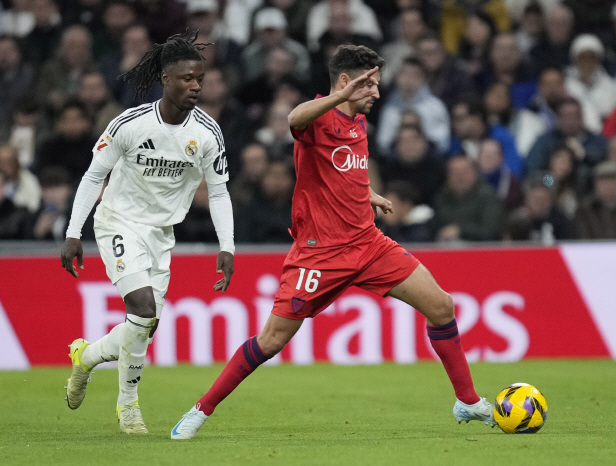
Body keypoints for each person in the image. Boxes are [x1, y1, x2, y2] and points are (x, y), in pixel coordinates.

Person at [171, 45, 496, 440]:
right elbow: (293, 117)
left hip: (369, 244)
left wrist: (367, 192)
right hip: (319, 254)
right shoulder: (317, 118)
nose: (377, 93)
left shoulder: (358, 121)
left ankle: (467, 400)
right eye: (369, 84)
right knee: (271, 340)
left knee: (442, 306)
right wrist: (336, 99)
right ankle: (201, 409)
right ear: (345, 82)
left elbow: (342, 166)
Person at [60, 31, 235, 435]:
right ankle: (129, 407)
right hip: (117, 222)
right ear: (165, 78)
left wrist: (227, 245)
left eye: (200, 80)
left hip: (161, 234)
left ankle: (85, 356)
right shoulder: (129, 124)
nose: (195, 86)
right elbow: (93, 177)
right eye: (187, 79)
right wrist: (73, 232)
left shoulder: (207, 133)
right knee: (142, 309)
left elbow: (221, 191)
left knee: (143, 325)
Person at [433, 155, 503, 242]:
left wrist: (460, 230)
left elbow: (491, 232)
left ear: (475, 173)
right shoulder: (441, 197)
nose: (460, 178)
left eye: (465, 172)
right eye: (455, 173)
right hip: (444, 248)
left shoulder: (487, 196)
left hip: (479, 249)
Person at [574, 160, 616, 239]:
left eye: (614, 181)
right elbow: (582, 238)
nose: (609, 186)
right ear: (596, 183)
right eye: (604, 181)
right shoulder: (584, 209)